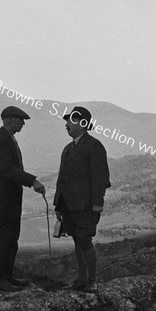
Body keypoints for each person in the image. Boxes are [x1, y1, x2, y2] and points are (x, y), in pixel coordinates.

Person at [0, 106, 46, 292]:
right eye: (20, 120)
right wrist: (32, 181)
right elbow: (8, 170)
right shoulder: (0, 140)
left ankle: (6, 275)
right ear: (8, 119)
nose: (23, 123)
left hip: (7, 199)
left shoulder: (8, 139)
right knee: (3, 237)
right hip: (1, 200)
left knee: (10, 237)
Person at [54, 106, 111, 292]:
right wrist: (58, 204)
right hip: (69, 206)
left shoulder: (94, 146)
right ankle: (81, 279)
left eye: (71, 120)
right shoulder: (68, 149)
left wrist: (97, 203)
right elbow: (61, 179)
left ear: (83, 124)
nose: (67, 124)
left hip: (86, 206)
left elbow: (100, 177)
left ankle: (92, 281)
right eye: (67, 121)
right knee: (77, 242)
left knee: (84, 241)